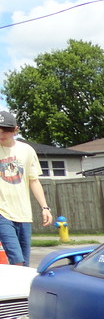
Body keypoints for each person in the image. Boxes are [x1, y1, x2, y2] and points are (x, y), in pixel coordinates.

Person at [0, 110, 52, 266]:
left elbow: (33, 180)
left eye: (6, 130)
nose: (1, 134)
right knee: (17, 259)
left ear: (15, 130)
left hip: (24, 214)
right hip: (2, 213)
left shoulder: (26, 150)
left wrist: (45, 207)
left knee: (24, 264)